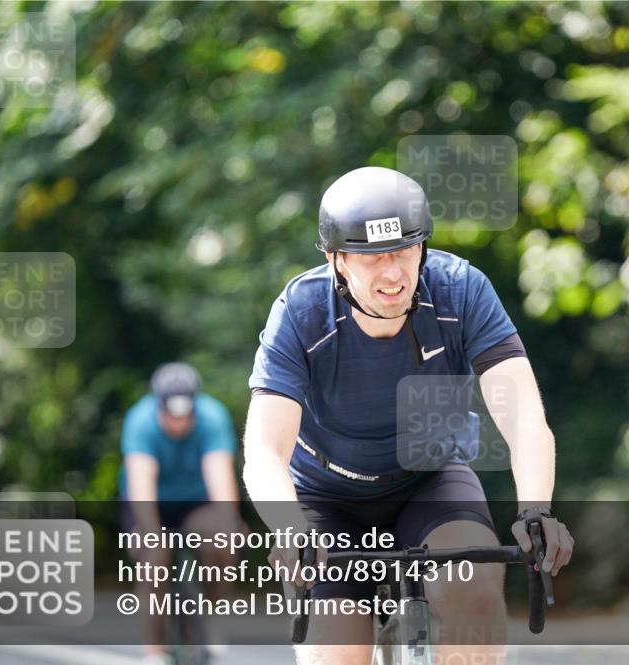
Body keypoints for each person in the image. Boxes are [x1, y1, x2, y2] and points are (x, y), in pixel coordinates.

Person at [243, 166, 574, 665]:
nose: (393, 273)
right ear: (336, 259)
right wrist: (290, 529)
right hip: (325, 497)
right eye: (372, 257)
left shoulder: (461, 291)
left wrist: (536, 510)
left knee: (476, 592)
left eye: (404, 250)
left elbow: (524, 413)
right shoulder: (300, 312)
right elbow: (266, 448)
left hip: (430, 478)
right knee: (336, 653)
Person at [119, 363, 241, 665]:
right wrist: (150, 532)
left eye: (185, 416)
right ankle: (154, 651)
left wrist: (228, 523)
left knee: (221, 540)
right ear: (158, 405)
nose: (178, 424)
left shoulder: (212, 417)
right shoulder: (140, 421)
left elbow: (219, 473)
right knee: (154, 559)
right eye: (171, 416)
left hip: (195, 501)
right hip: (150, 503)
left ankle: (212, 617)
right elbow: (141, 481)